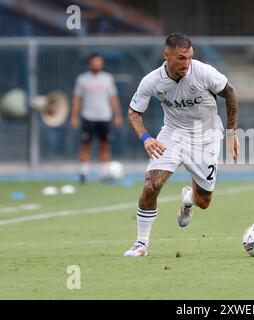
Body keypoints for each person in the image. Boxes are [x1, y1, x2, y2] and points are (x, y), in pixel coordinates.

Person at [123, 33, 240, 257]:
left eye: (189, 57)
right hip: (172, 135)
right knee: (151, 185)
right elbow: (134, 112)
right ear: (166, 55)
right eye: (180, 58)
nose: (186, 63)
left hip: (206, 138)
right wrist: (146, 137)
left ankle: (188, 200)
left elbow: (231, 94)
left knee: (204, 202)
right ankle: (141, 244)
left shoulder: (204, 73)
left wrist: (232, 132)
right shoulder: (152, 81)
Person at [71, 53, 123, 183]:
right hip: (88, 117)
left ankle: (104, 175)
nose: (97, 64)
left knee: (104, 145)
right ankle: (83, 173)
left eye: (99, 62)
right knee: (86, 145)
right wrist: (74, 116)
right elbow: (77, 99)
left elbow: (113, 98)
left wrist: (117, 115)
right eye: (94, 62)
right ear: (90, 63)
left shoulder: (107, 78)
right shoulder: (82, 79)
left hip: (104, 117)